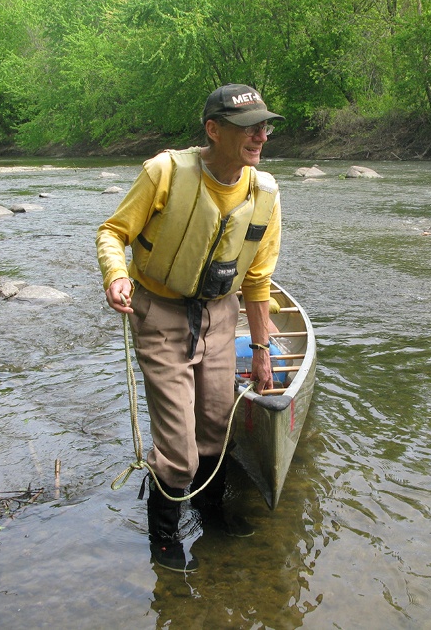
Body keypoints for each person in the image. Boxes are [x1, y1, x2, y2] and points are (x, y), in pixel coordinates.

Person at [95, 84, 284, 572]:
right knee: (178, 449)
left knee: (217, 429)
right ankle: (163, 538)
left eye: (264, 126)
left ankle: (209, 509)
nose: (260, 136)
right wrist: (117, 276)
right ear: (214, 130)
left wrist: (261, 350)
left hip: (222, 316)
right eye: (248, 127)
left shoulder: (264, 194)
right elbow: (113, 233)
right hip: (158, 312)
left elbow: (258, 280)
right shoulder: (164, 173)